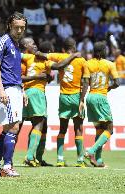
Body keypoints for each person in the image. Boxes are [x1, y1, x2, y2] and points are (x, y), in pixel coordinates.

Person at [20, 39, 81, 167]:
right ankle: (30, 156)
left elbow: (18, 55)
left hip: (27, 92)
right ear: (48, 52)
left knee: (42, 126)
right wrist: (74, 55)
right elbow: (59, 66)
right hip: (37, 93)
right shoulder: (46, 61)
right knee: (38, 125)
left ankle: (37, 158)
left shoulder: (28, 57)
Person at [0, 12, 27, 177]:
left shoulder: (17, 44)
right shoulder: (2, 41)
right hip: (7, 89)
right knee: (13, 127)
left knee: (7, 130)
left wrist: (22, 90)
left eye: (22, 28)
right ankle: (7, 166)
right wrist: (1, 89)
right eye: (16, 27)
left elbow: (15, 70)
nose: (19, 30)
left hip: (16, 88)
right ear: (10, 25)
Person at [40, 38, 89, 167]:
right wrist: (82, 99)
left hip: (64, 97)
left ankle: (60, 159)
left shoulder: (59, 56)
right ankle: (79, 160)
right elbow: (86, 82)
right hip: (77, 97)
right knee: (78, 129)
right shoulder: (82, 60)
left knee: (62, 129)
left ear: (63, 49)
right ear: (74, 47)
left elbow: (43, 55)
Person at [80, 41, 120, 167]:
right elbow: (117, 83)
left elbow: (85, 83)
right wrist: (109, 87)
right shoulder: (110, 64)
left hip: (90, 97)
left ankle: (98, 160)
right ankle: (91, 151)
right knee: (109, 129)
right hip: (101, 97)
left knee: (99, 129)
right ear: (104, 51)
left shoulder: (87, 63)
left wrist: (81, 100)